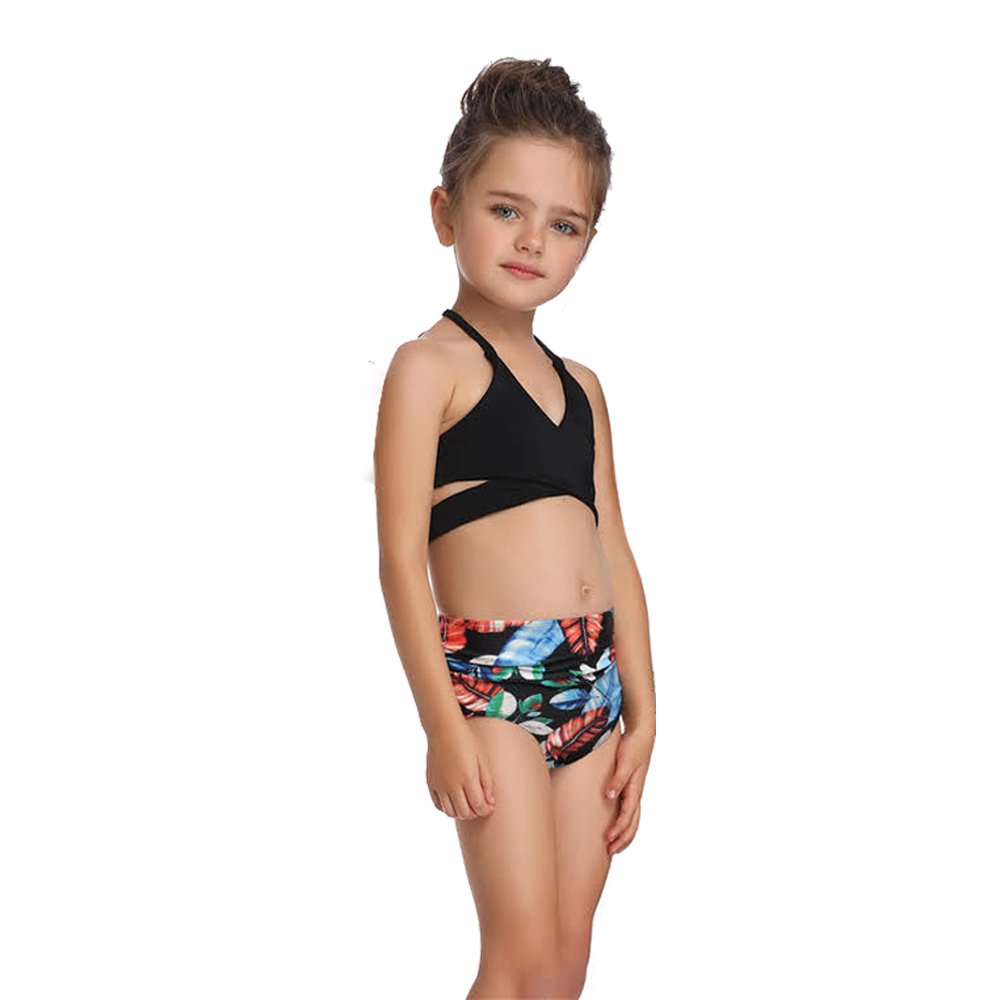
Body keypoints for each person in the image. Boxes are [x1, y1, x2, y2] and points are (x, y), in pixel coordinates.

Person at [374, 56, 656, 1000]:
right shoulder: (429, 368)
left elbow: (614, 551)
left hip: (592, 683)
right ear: (445, 212)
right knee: (518, 954)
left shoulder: (586, 389)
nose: (534, 240)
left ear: (588, 241)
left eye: (564, 224)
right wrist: (441, 727)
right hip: (492, 689)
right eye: (506, 209)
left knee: (566, 962)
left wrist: (644, 713)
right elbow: (399, 560)